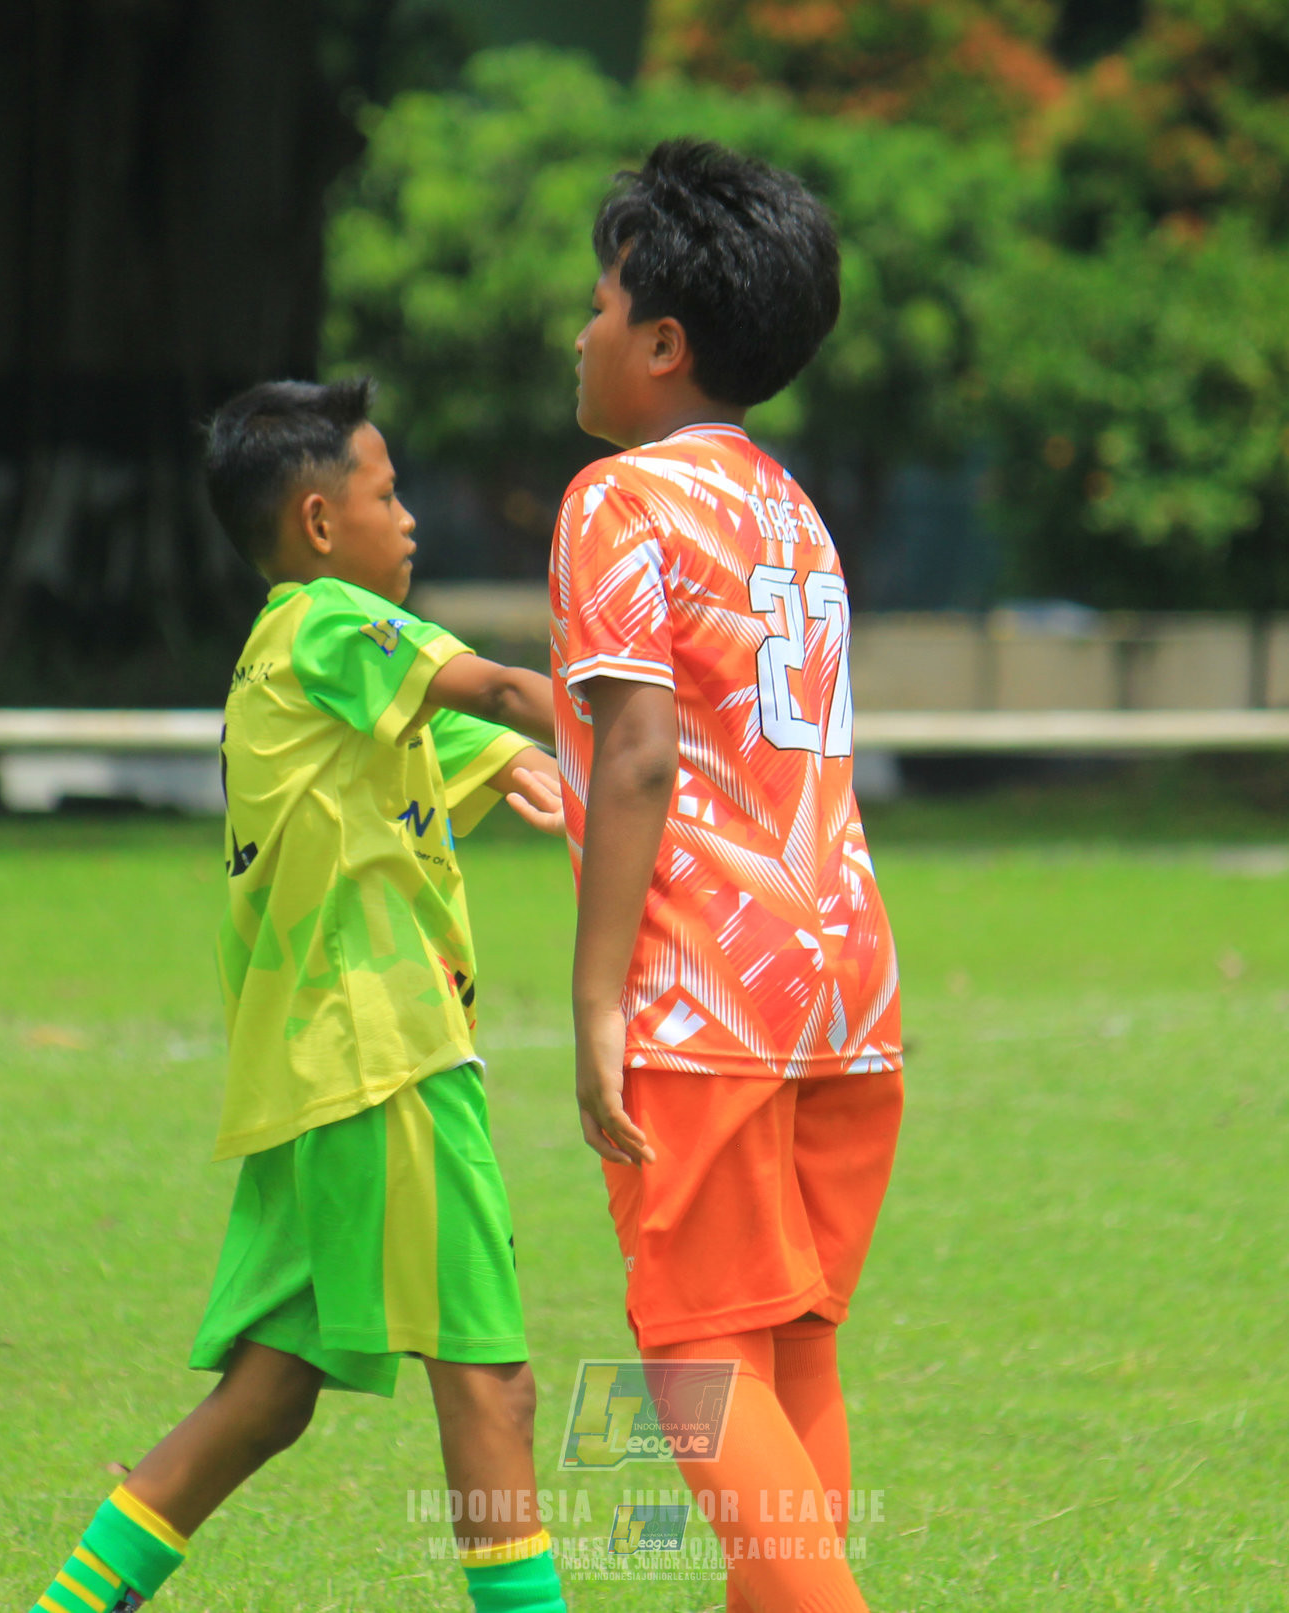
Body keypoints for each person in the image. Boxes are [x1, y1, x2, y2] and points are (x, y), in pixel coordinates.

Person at [28, 378, 572, 1613]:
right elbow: (495, 690)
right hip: (388, 1061)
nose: (412, 518)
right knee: (492, 1385)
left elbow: (484, 746)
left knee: (268, 1393)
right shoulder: (328, 624)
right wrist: (665, 718)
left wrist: (555, 758)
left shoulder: (311, 673)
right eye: (388, 494)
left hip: (314, 1072)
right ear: (321, 524)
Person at [551, 141, 904, 1613]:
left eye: (594, 302)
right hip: (846, 987)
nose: (576, 332)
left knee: (693, 1350)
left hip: (708, 995)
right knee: (790, 1339)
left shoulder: (616, 503)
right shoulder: (791, 513)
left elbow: (640, 757)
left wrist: (590, 999)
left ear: (660, 343)